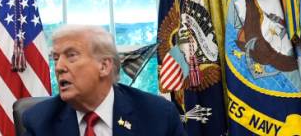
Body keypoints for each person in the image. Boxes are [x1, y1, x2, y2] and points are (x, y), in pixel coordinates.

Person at [22, 25, 184, 136]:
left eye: (71, 56)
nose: (59, 67)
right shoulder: (39, 122)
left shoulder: (158, 115)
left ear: (104, 66)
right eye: (56, 58)